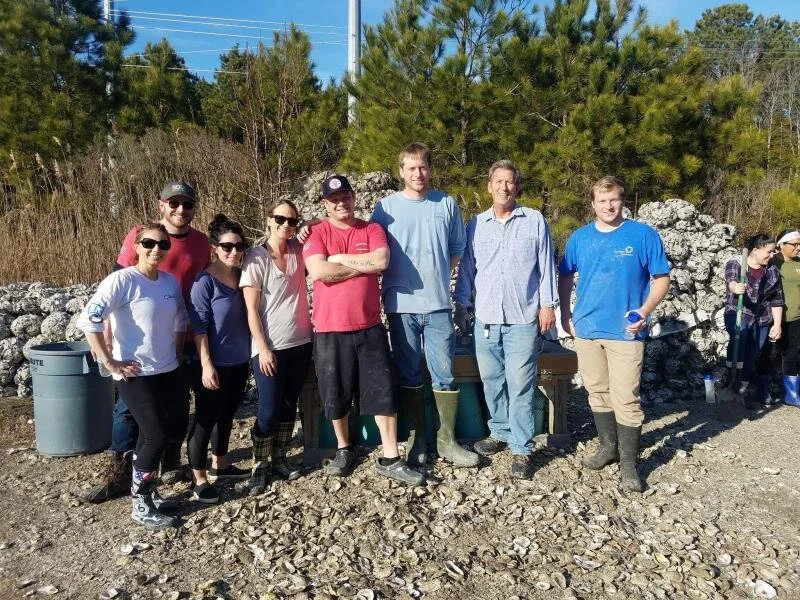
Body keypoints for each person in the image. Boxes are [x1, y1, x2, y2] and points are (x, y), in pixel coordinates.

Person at [80, 181, 209, 504]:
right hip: (135, 349)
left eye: (187, 204)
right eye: (174, 203)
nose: (181, 210)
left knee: (177, 409)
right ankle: (121, 473)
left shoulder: (201, 243)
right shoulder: (139, 235)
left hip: (180, 341)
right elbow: (114, 287)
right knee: (128, 413)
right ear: (161, 204)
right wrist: (108, 344)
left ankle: (168, 463)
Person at [303, 174, 424, 485]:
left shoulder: (371, 228)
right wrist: (361, 264)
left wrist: (340, 260)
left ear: (354, 197)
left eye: (345, 196)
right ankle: (345, 448)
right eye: (334, 199)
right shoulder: (316, 232)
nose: (341, 203)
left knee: (382, 391)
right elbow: (318, 270)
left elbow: (381, 261)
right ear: (325, 204)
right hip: (330, 329)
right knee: (335, 393)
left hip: (369, 326)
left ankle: (390, 456)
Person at [558, 176, 670, 493]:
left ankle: (629, 464)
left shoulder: (643, 235)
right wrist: (566, 313)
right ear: (592, 204)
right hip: (588, 328)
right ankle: (608, 447)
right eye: (602, 201)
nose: (608, 206)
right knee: (597, 391)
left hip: (626, 331)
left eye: (614, 200)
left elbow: (661, 279)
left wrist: (644, 311)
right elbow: (565, 277)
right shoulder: (580, 238)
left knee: (627, 398)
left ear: (623, 202)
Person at [371, 143, 479, 468]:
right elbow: (366, 242)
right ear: (401, 171)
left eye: (423, 167)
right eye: (411, 168)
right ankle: (419, 438)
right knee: (408, 372)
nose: (418, 174)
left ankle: (446, 440)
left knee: (443, 373)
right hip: (400, 305)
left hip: (438, 306)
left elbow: (458, 247)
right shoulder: (384, 208)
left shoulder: (445, 204)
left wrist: (440, 272)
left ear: (430, 169)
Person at [79, 223, 189, 530]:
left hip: (166, 369)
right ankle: (140, 503)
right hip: (135, 373)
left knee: (158, 434)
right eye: (150, 243)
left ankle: (149, 493)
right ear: (137, 247)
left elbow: (181, 317)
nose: (157, 249)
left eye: (163, 245)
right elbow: (90, 319)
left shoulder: (168, 282)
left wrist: (178, 351)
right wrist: (109, 361)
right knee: (153, 435)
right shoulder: (122, 281)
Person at [453, 160, 558, 479]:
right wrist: (460, 302)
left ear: (517, 187)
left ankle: (522, 448)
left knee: (521, 383)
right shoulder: (477, 224)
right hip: (485, 319)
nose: (504, 187)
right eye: (498, 181)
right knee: (492, 381)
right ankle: (499, 430)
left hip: (522, 318)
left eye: (510, 182)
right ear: (489, 186)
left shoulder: (534, 221)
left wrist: (547, 304)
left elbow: (545, 264)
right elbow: (468, 268)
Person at [240, 200, 313, 495]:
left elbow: (324, 223)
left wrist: (307, 227)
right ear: (268, 220)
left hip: (300, 342)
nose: (286, 225)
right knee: (268, 408)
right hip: (270, 346)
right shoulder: (256, 258)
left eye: (292, 221)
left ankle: (280, 457)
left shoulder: (298, 250)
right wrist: (262, 347)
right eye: (280, 219)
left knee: (288, 404)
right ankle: (259, 464)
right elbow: (251, 309)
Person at [186, 215, 251, 504]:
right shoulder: (204, 282)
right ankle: (198, 478)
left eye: (239, 246)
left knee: (228, 414)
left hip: (239, 360)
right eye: (227, 247)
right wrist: (206, 364)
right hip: (215, 363)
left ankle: (221, 463)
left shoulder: (242, 275)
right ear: (215, 247)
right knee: (205, 419)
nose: (234, 252)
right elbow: (198, 327)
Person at [723, 233, 783, 405]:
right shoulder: (737, 263)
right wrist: (736, 287)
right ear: (756, 250)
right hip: (738, 312)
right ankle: (731, 383)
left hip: (762, 317)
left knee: (753, 353)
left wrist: (777, 324)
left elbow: (776, 298)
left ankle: (741, 390)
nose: (772, 255)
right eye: (769, 252)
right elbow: (731, 280)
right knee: (739, 343)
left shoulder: (772, 270)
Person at [773, 229, 800, 407]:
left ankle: (792, 394)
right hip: (776, 318)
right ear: (782, 244)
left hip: (797, 316)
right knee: (771, 355)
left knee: (794, 353)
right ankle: (767, 391)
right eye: (795, 244)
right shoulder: (772, 262)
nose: (798, 248)